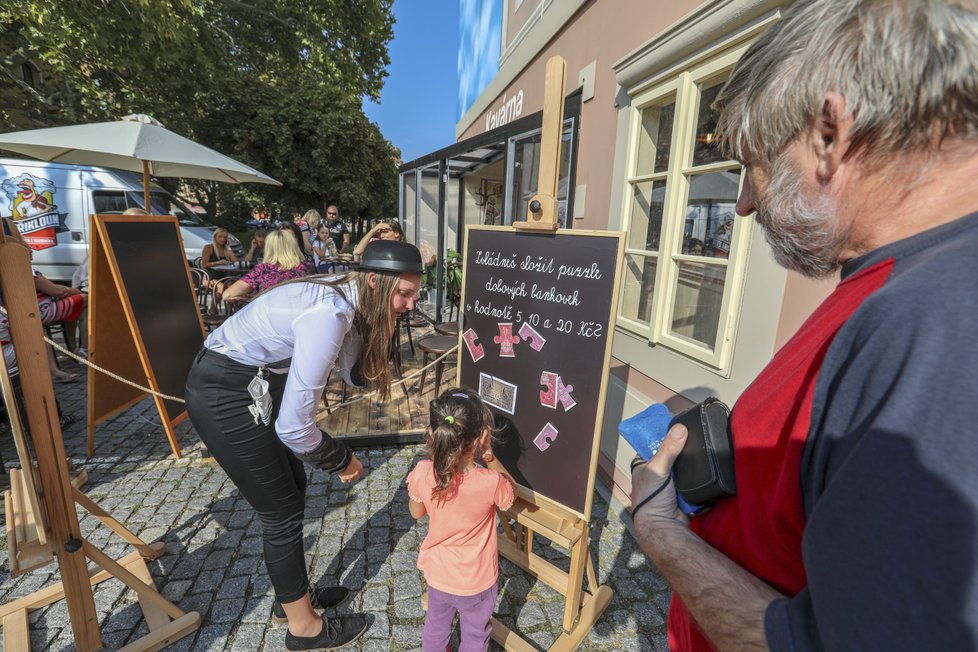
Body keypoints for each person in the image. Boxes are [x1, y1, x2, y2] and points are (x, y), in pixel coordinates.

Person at [629, 1, 978, 650]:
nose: (742, 202)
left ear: (828, 132)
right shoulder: (905, 280)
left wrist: (659, 529)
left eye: (752, 164)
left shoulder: (945, 317)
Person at [184, 240, 424, 651]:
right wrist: (340, 459)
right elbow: (294, 428)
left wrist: (377, 347)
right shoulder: (329, 314)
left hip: (251, 384)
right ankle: (303, 628)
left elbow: (351, 374)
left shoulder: (349, 296)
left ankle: (291, 601)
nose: (408, 304)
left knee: (292, 489)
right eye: (403, 293)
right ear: (374, 281)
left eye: (413, 295)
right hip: (224, 392)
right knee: (280, 508)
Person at [406, 388, 514, 652]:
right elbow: (511, 495)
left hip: (439, 575)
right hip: (477, 581)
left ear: (433, 434)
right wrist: (489, 456)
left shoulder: (422, 472)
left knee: (436, 626)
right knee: (476, 635)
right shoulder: (491, 482)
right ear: (482, 437)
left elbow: (416, 513)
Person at [223, 229, 313, 302]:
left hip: (267, 319)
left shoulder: (264, 269)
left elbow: (228, 295)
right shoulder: (307, 267)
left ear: (269, 247)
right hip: (298, 317)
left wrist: (251, 299)